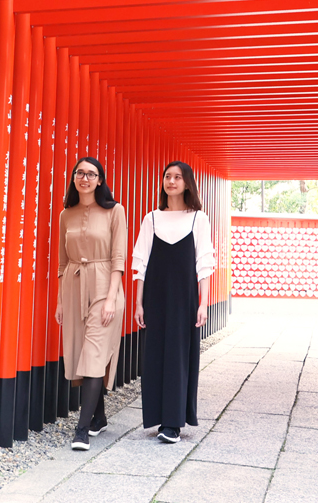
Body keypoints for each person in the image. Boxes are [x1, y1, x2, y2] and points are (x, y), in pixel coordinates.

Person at [132, 161, 215, 443]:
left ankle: (173, 423)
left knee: (179, 356)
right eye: (168, 176)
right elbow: (140, 264)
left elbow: (204, 263)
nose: (171, 181)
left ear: (187, 183)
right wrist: (138, 304)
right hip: (154, 297)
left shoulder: (198, 219)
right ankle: (157, 417)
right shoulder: (151, 218)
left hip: (184, 298)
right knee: (154, 354)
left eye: (178, 177)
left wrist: (203, 304)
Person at [56, 156, 127, 451]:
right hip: (73, 286)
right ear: (73, 178)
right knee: (79, 352)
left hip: (104, 287)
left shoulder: (114, 211)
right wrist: (61, 301)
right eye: (79, 173)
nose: (85, 178)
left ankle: (82, 429)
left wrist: (111, 299)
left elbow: (118, 259)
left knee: (95, 352)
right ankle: (98, 417)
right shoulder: (65, 214)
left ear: (100, 180)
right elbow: (62, 262)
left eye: (91, 174)